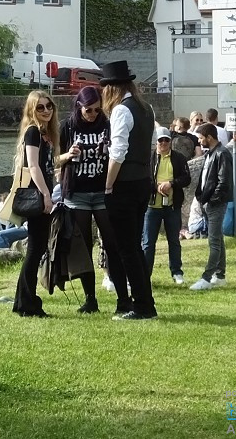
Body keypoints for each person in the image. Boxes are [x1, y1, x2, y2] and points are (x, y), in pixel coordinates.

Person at [58, 85, 124, 315]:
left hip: (103, 191)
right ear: (79, 106)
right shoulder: (67, 127)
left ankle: (122, 297)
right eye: (89, 110)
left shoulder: (106, 124)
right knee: (83, 245)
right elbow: (53, 159)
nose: (93, 114)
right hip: (78, 193)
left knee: (112, 242)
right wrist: (69, 155)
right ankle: (90, 298)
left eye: (96, 110)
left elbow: (119, 153)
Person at [101, 60, 158, 320]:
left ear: (112, 88)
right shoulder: (146, 109)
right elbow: (153, 146)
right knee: (134, 245)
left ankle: (142, 305)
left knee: (127, 248)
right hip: (142, 180)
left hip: (124, 184)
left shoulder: (121, 111)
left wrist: (108, 183)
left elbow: (118, 152)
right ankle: (145, 301)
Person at [11, 91, 58, 317]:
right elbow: (33, 166)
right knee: (35, 248)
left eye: (49, 106)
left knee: (36, 248)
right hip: (38, 196)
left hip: (43, 193)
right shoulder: (33, 132)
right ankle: (27, 303)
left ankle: (23, 301)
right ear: (31, 110)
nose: (46, 110)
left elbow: (46, 165)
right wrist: (46, 195)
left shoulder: (45, 133)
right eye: (40, 107)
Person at [142, 126, 191, 285]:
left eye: (166, 140)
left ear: (170, 141)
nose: (163, 143)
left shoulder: (178, 158)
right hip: (152, 206)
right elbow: (143, 179)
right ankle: (145, 274)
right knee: (148, 243)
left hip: (171, 206)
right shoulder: (148, 159)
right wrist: (156, 187)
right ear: (155, 142)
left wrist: (171, 184)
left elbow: (186, 178)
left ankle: (177, 272)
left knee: (174, 241)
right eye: (160, 140)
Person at [190, 123, 232, 290]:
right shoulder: (211, 154)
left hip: (216, 202)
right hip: (208, 201)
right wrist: (202, 198)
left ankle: (206, 278)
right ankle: (220, 275)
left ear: (210, 137)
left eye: (201, 138)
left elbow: (223, 182)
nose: (199, 142)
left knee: (213, 241)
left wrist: (212, 200)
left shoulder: (222, 154)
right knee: (218, 239)